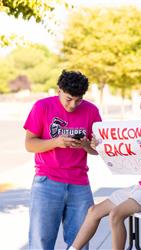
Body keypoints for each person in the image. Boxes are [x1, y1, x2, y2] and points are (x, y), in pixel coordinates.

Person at [68, 86, 141, 250]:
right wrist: (97, 146)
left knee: (116, 214)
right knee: (94, 211)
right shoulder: (140, 129)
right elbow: (120, 154)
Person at [23, 70, 102, 250]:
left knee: (79, 243)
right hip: (46, 182)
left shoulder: (92, 111)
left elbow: (97, 151)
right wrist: (56, 142)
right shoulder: (42, 107)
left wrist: (86, 146)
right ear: (59, 90)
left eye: (78, 100)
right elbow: (29, 144)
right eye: (68, 99)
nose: (73, 105)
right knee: (41, 242)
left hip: (80, 183)